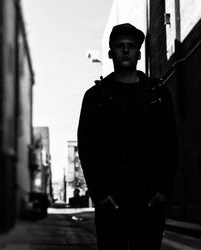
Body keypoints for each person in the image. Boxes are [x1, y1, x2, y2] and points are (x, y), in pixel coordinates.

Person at [77, 23, 178, 250]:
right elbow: (87, 147)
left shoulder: (157, 93)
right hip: (112, 202)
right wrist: (100, 194)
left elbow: (170, 144)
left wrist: (163, 191)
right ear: (111, 52)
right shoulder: (96, 96)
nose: (125, 50)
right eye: (120, 46)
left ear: (139, 54)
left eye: (131, 46)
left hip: (150, 200)